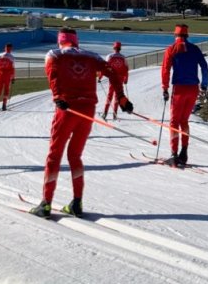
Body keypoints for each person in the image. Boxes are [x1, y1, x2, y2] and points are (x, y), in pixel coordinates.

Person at [30, 27, 133, 218]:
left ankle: (46, 203)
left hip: (67, 108)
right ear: (76, 41)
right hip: (88, 109)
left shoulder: (54, 54)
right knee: (75, 155)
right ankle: (77, 203)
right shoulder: (91, 56)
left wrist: (57, 95)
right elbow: (112, 73)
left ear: (60, 40)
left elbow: (52, 75)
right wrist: (121, 97)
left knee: (55, 154)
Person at [160, 24, 208, 167]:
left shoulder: (171, 49)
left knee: (174, 122)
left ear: (175, 35)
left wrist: (165, 88)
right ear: (187, 35)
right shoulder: (195, 49)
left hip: (179, 89)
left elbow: (165, 70)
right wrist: (204, 84)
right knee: (184, 121)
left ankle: (174, 155)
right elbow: (204, 66)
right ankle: (184, 152)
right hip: (193, 89)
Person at [99, 41, 129, 120]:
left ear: (114, 48)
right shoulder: (123, 58)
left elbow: (104, 67)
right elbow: (126, 69)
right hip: (120, 79)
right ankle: (114, 114)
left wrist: (100, 77)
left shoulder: (110, 56)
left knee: (110, 95)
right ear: (120, 48)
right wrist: (126, 79)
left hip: (113, 79)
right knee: (117, 96)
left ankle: (105, 113)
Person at [0, 43, 16, 111]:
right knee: (6, 90)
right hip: (7, 75)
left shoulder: (0, 56)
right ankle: (4, 105)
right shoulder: (11, 57)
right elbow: (13, 68)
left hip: (0, 74)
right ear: (11, 49)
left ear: (5, 48)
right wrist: (13, 77)